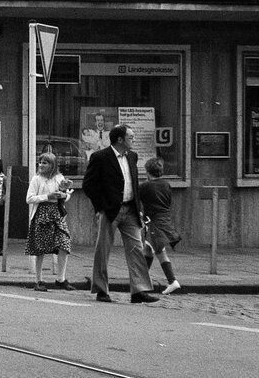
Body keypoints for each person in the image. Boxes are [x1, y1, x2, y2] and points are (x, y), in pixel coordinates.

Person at [83, 123, 158, 304]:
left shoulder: (132, 156)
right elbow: (89, 185)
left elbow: (133, 181)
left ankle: (139, 291)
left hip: (131, 209)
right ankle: (101, 290)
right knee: (103, 250)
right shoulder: (100, 157)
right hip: (110, 210)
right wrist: (101, 207)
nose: (133, 140)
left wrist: (139, 208)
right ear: (120, 139)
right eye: (131, 137)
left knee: (136, 249)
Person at [25, 152, 75, 291]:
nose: (41, 165)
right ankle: (39, 280)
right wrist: (47, 196)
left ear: (52, 165)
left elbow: (66, 197)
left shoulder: (59, 178)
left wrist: (64, 192)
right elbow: (29, 199)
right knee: (40, 248)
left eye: (45, 163)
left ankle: (61, 279)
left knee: (64, 243)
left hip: (57, 214)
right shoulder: (36, 179)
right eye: (40, 162)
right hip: (42, 214)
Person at [139, 157, 182, 295]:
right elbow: (168, 201)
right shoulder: (166, 184)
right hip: (164, 219)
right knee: (149, 249)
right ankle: (142, 281)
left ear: (147, 171)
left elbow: (137, 200)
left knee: (158, 251)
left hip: (153, 222)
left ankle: (171, 281)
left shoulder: (145, 186)